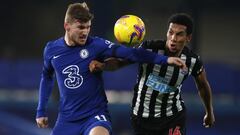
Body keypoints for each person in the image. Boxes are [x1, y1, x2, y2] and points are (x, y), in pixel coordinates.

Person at [35, 2, 187, 135]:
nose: (85, 32)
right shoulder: (51, 50)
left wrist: (165, 59)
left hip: (94, 115)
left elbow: (131, 54)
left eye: (88, 27)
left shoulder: (97, 45)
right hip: (67, 119)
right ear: (66, 26)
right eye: (81, 27)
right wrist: (41, 111)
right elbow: (47, 77)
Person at [89, 13, 215, 135]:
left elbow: (203, 86)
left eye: (179, 34)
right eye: (170, 32)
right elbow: (119, 63)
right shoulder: (149, 48)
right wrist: (102, 66)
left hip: (173, 118)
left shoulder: (192, 61)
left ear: (188, 38)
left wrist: (209, 112)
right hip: (142, 118)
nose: (173, 38)